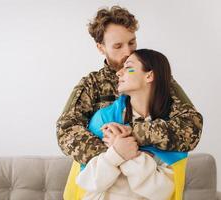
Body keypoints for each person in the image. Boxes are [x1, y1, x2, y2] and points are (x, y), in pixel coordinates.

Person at [56, 6, 203, 166]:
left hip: (153, 179)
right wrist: (114, 154)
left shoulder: (156, 76)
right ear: (101, 48)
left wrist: (135, 135)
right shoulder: (92, 84)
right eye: (118, 46)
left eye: (132, 42)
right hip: (102, 181)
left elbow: (191, 126)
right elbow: (66, 131)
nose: (128, 51)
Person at [75, 49, 187, 200]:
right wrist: (117, 154)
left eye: (128, 67)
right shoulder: (104, 118)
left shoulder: (170, 129)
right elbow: (88, 182)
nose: (119, 73)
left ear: (149, 75)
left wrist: (128, 154)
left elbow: (163, 192)